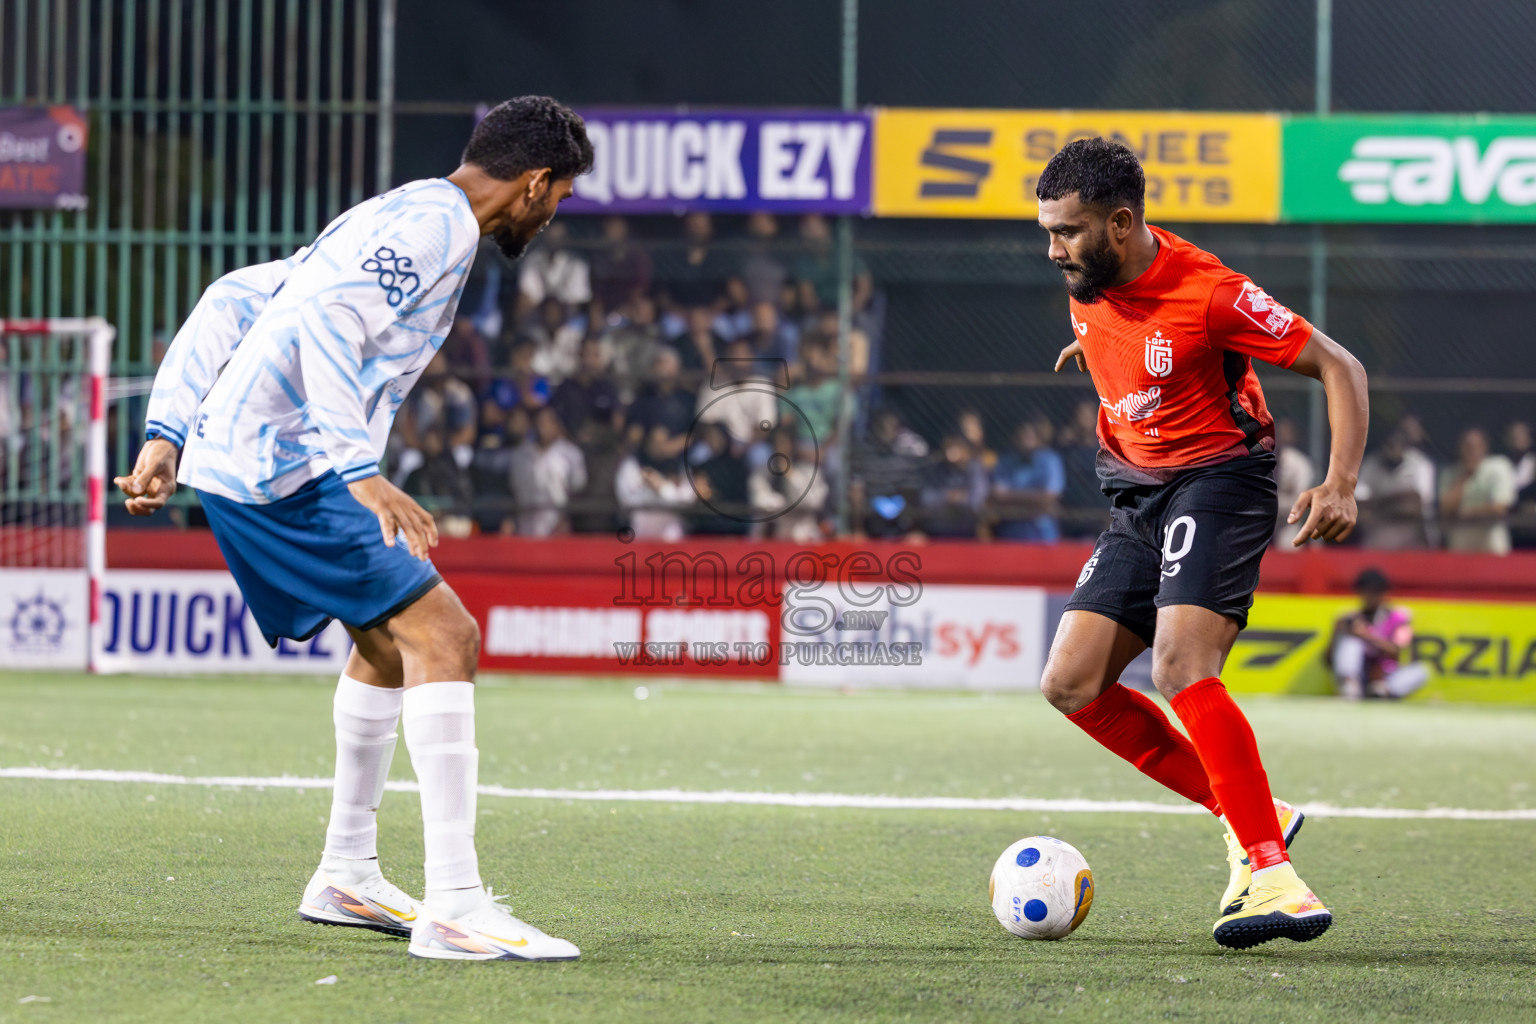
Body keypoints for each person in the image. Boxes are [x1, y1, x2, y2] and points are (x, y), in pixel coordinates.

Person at [117, 96, 592, 962]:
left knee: (385, 645)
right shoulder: (434, 231)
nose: (554, 213)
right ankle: (454, 905)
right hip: (283, 470)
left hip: (252, 460)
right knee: (445, 634)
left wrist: (166, 430)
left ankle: (346, 873)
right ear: (535, 183)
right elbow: (324, 320)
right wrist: (359, 470)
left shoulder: (401, 212)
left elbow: (239, 295)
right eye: (559, 195)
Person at [1039, 138, 1368, 949]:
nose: (1053, 249)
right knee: (1072, 683)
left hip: (1220, 479)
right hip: (1135, 493)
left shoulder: (1211, 292)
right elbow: (1137, 339)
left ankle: (1277, 879)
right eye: (1046, 231)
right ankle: (1254, 811)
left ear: (1121, 223)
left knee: (1183, 663)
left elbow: (1340, 366)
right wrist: (1100, 348)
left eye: (1069, 232)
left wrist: (1340, 482)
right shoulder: (1090, 278)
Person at [1328, 569, 1427, 701]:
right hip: (1360, 675)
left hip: (1386, 678)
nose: (1371, 597)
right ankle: (1350, 686)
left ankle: (1381, 692)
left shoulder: (1400, 619)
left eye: (1375, 592)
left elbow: (1397, 651)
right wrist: (1338, 635)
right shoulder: (1350, 619)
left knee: (1421, 672)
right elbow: (1328, 660)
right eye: (1366, 591)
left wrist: (1367, 636)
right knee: (1350, 642)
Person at [509, 406, 587, 537]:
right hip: (526, 523)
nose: (543, 427)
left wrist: (566, 518)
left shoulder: (570, 454)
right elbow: (513, 489)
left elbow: (578, 490)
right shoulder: (520, 454)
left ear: (557, 425)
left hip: (557, 524)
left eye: (549, 422)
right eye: (540, 422)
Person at [1439, 427, 1517, 555]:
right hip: (1460, 552)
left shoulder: (1499, 467)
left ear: (1484, 446)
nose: (1471, 450)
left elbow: (1499, 508)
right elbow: (1446, 509)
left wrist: (1463, 514)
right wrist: (1466, 476)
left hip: (1492, 551)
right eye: (1467, 446)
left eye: (1476, 445)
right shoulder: (1449, 473)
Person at [1356, 429, 1436, 549]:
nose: (1394, 449)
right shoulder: (1371, 464)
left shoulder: (1420, 464)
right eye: (1390, 444)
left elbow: (1416, 504)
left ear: (1405, 446)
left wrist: (1376, 505)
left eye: (1398, 444)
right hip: (1376, 544)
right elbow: (1358, 506)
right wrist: (1398, 502)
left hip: (1411, 544)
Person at [991, 421, 1065, 542]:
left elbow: (1049, 497)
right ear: (1015, 438)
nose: (1026, 440)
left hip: (1043, 533)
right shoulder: (1006, 462)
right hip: (1011, 531)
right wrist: (1036, 498)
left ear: (1038, 438)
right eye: (1022, 435)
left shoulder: (1050, 460)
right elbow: (998, 495)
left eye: (1030, 436)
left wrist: (1011, 496)